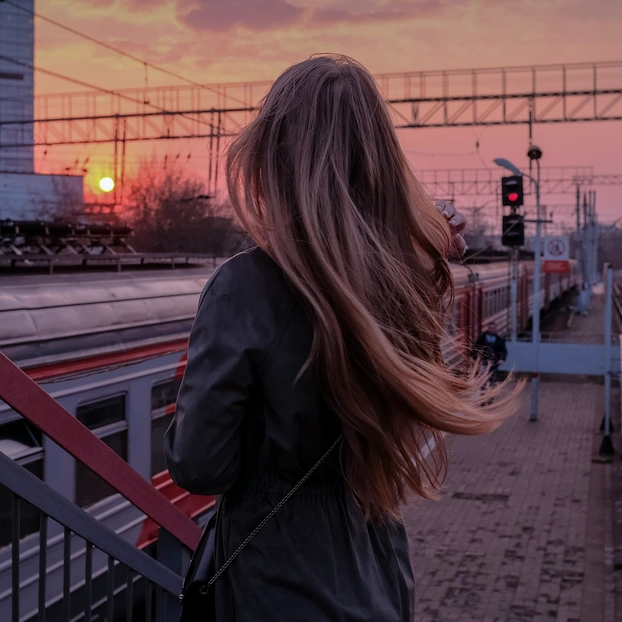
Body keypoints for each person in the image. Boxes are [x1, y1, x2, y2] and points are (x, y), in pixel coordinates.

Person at [164, 55, 518, 622]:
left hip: (274, 579)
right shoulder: (404, 279)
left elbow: (200, 466)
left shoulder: (245, 287)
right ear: (377, 158)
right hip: (375, 561)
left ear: (273, 155)